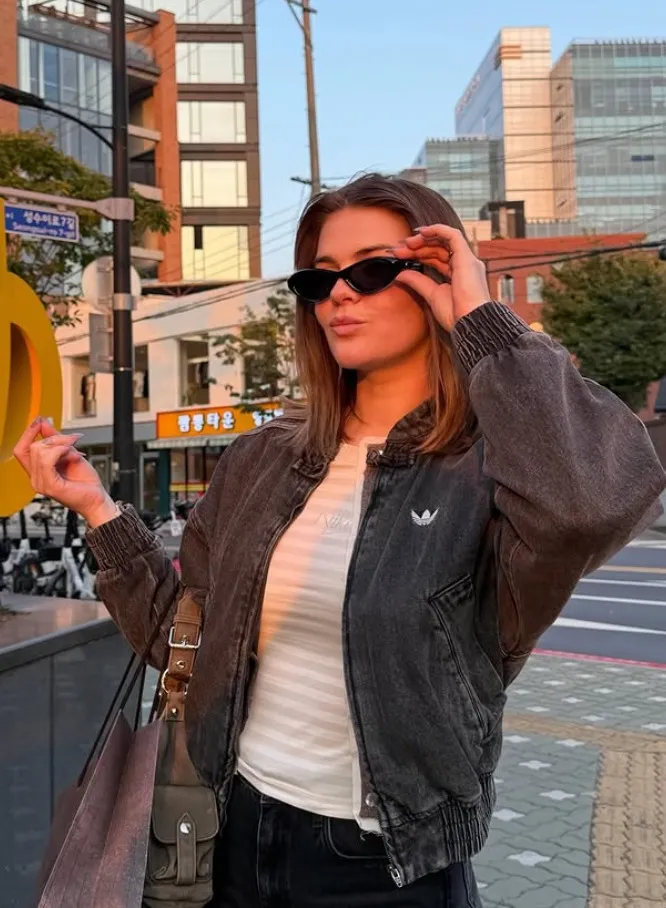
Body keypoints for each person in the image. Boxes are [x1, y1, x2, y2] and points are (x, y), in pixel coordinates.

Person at [15, 174, 666, 907]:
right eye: (319, 279)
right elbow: (181, 642)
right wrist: (98, 509)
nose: (339, 295)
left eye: (373, 269)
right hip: (225, 832)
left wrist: (483, 319)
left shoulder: (492, 468)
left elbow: (590, 505)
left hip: (385, 864)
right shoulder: (264, 458)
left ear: (438, 277)